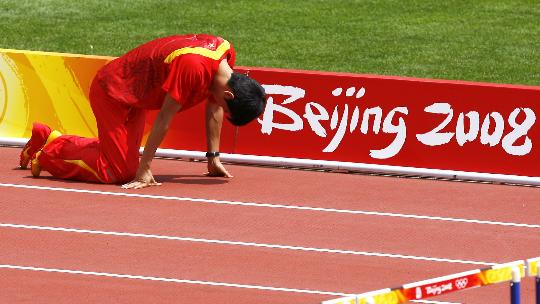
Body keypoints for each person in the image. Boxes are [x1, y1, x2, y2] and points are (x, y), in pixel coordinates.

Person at [19, 34, 266, 189]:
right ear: (229, 95)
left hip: (136, 98)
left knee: (121, 164)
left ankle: (53, 140)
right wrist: (146, 168)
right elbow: (164, 119)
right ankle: (47, 153)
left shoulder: (225, 56)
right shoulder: (193, 68)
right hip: (112, 92)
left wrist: (213, 157)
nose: (219, 108)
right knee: (115, 172)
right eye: (225, 107)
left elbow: (214, 105)